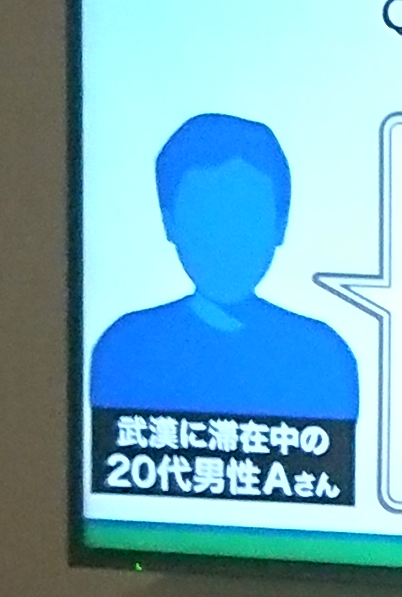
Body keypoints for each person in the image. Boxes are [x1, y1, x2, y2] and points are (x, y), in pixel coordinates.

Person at [87, 113, 359, 422]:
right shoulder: (128, 347)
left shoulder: (322, 356)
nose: (226, 238)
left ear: (280, 224)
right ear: (169, 222)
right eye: (206, 214)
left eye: (246, 214)